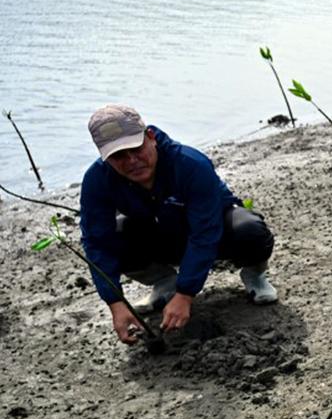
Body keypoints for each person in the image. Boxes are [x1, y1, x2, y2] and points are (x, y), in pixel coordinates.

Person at [79, 104, 277, 345]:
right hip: (161, 235)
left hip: (214, 231)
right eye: (118, 156)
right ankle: (164, 282)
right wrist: (115, 302)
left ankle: (254, 275)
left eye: (136, 149)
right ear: (105, 157)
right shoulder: (96, 180)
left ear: (150, 137)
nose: (132, 161)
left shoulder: (190, 164)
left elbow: (205, 233)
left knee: (250, 231)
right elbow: (97, 242)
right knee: (117, 236)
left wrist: (186, 294)